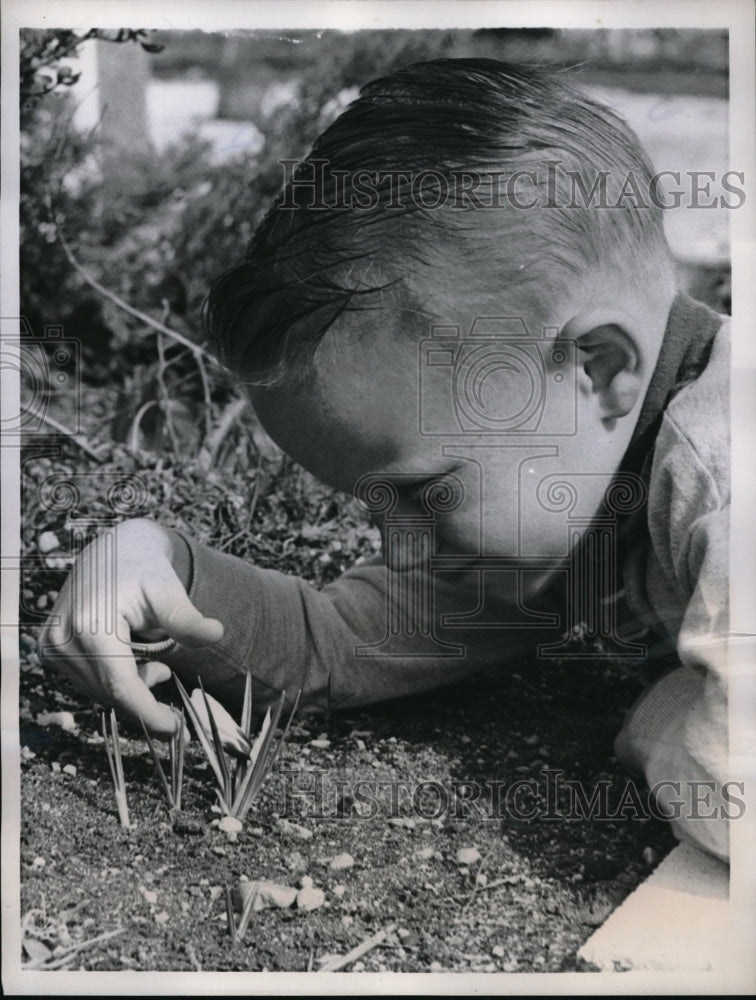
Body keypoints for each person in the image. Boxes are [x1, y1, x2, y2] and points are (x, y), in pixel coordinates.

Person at [40, 59, 732, 861]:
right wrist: (158, 564)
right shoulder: (570, 495)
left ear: (599, 370)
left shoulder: (724, 469)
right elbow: (338, 643)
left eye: (425, 492)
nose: (400, 544)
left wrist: (657, 711)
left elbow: (730, 794)